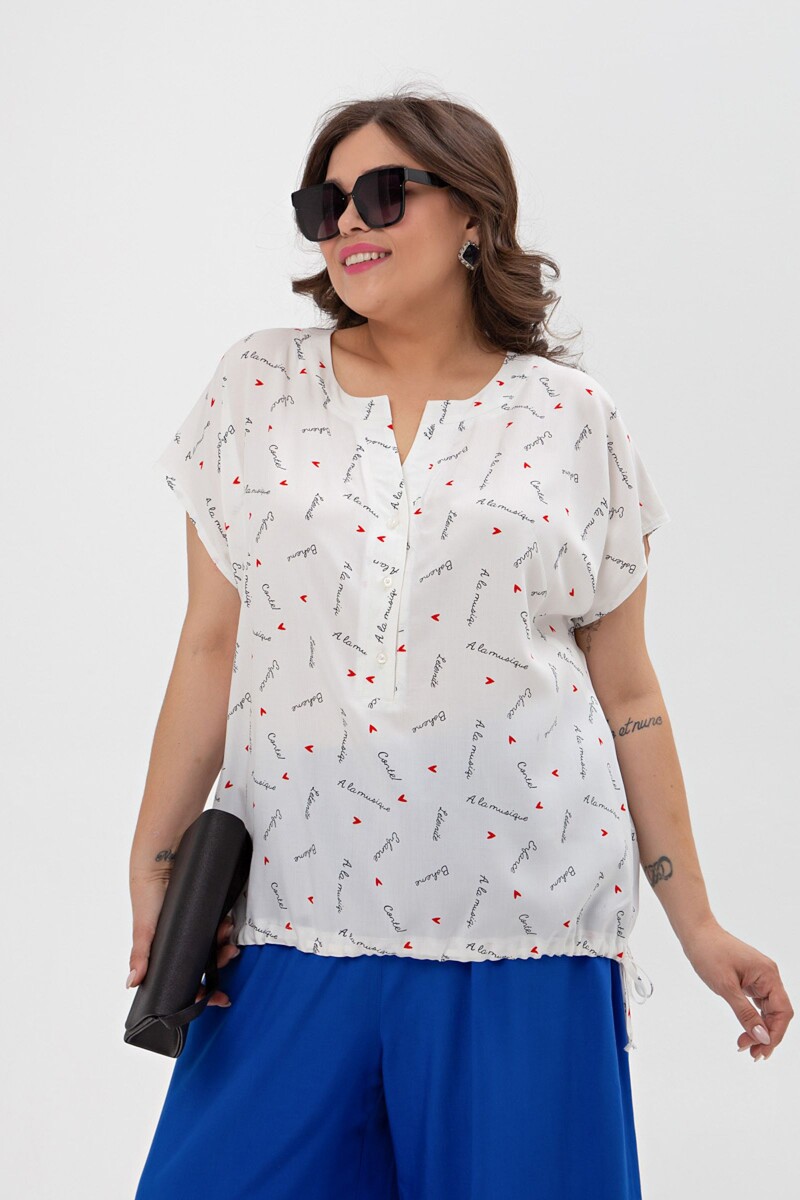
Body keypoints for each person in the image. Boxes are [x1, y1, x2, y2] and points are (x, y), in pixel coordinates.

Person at [129, 88, 793, 1200]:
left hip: (525, 933)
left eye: (384, 192)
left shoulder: (572, 416)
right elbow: (207, 646)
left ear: (475, 214)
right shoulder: (257, 389)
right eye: (325, 203)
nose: (349, 219)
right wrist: (155, 867)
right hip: (290, 922)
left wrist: (696, 921)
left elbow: (628, 692)